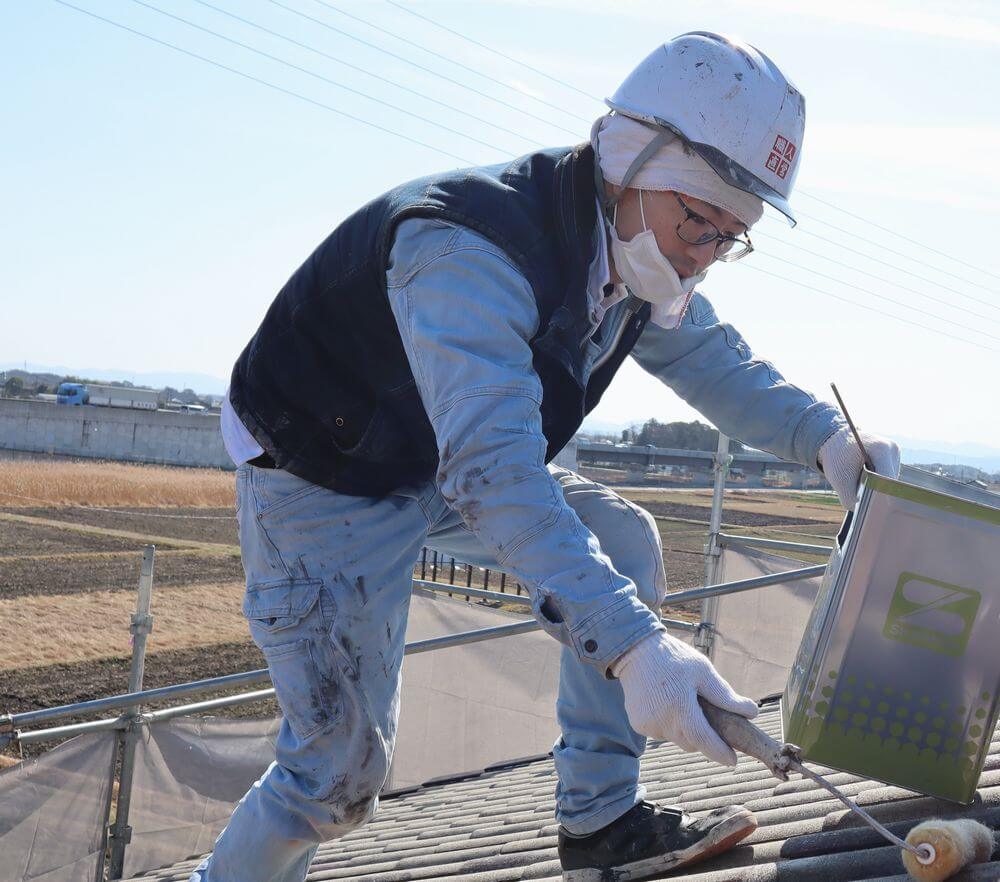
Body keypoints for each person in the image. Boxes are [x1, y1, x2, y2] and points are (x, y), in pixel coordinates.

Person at [194, 31, 900, 882]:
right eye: (697, 222)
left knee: (624, 543)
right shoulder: (467, 249)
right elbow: (491, 469)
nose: (702, 256)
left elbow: (715, 361)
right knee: (336, 775)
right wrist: (639, 651)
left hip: (429, 457)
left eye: (728, 238)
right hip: (321, 470)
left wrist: (825, 438)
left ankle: (600, 823)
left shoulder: (638, 255)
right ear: (632, 157)